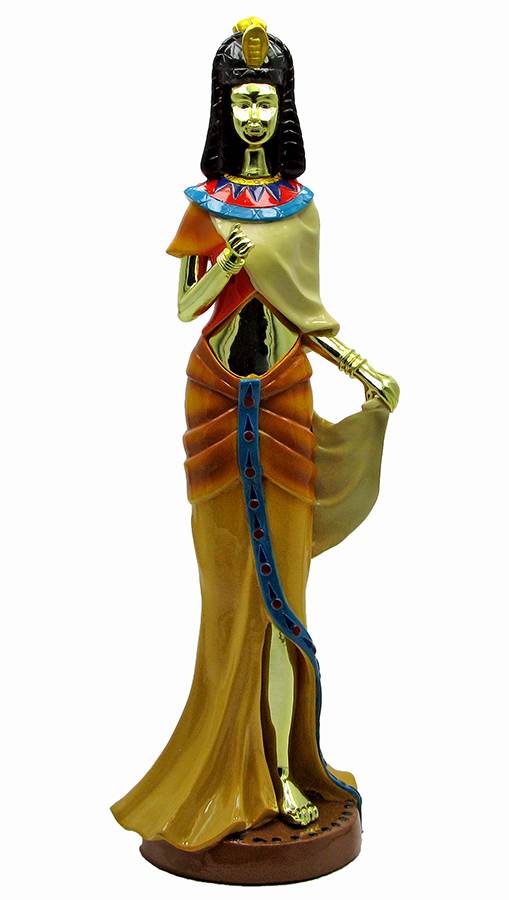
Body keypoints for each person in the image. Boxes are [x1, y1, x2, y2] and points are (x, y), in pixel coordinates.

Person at [111, 16, 399, 854]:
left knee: (284, 602)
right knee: (230, 594)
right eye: (240, 101)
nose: (252, 115)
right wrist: (226, 268)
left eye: (264, 101)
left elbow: (308, 316)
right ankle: (230, 767)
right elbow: (184, 307)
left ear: (284, 109)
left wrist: (363, 369)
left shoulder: (302, 211)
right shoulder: (203, 207)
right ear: (222, 109)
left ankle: (279, 769)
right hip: (213, 403)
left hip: (283, 400)